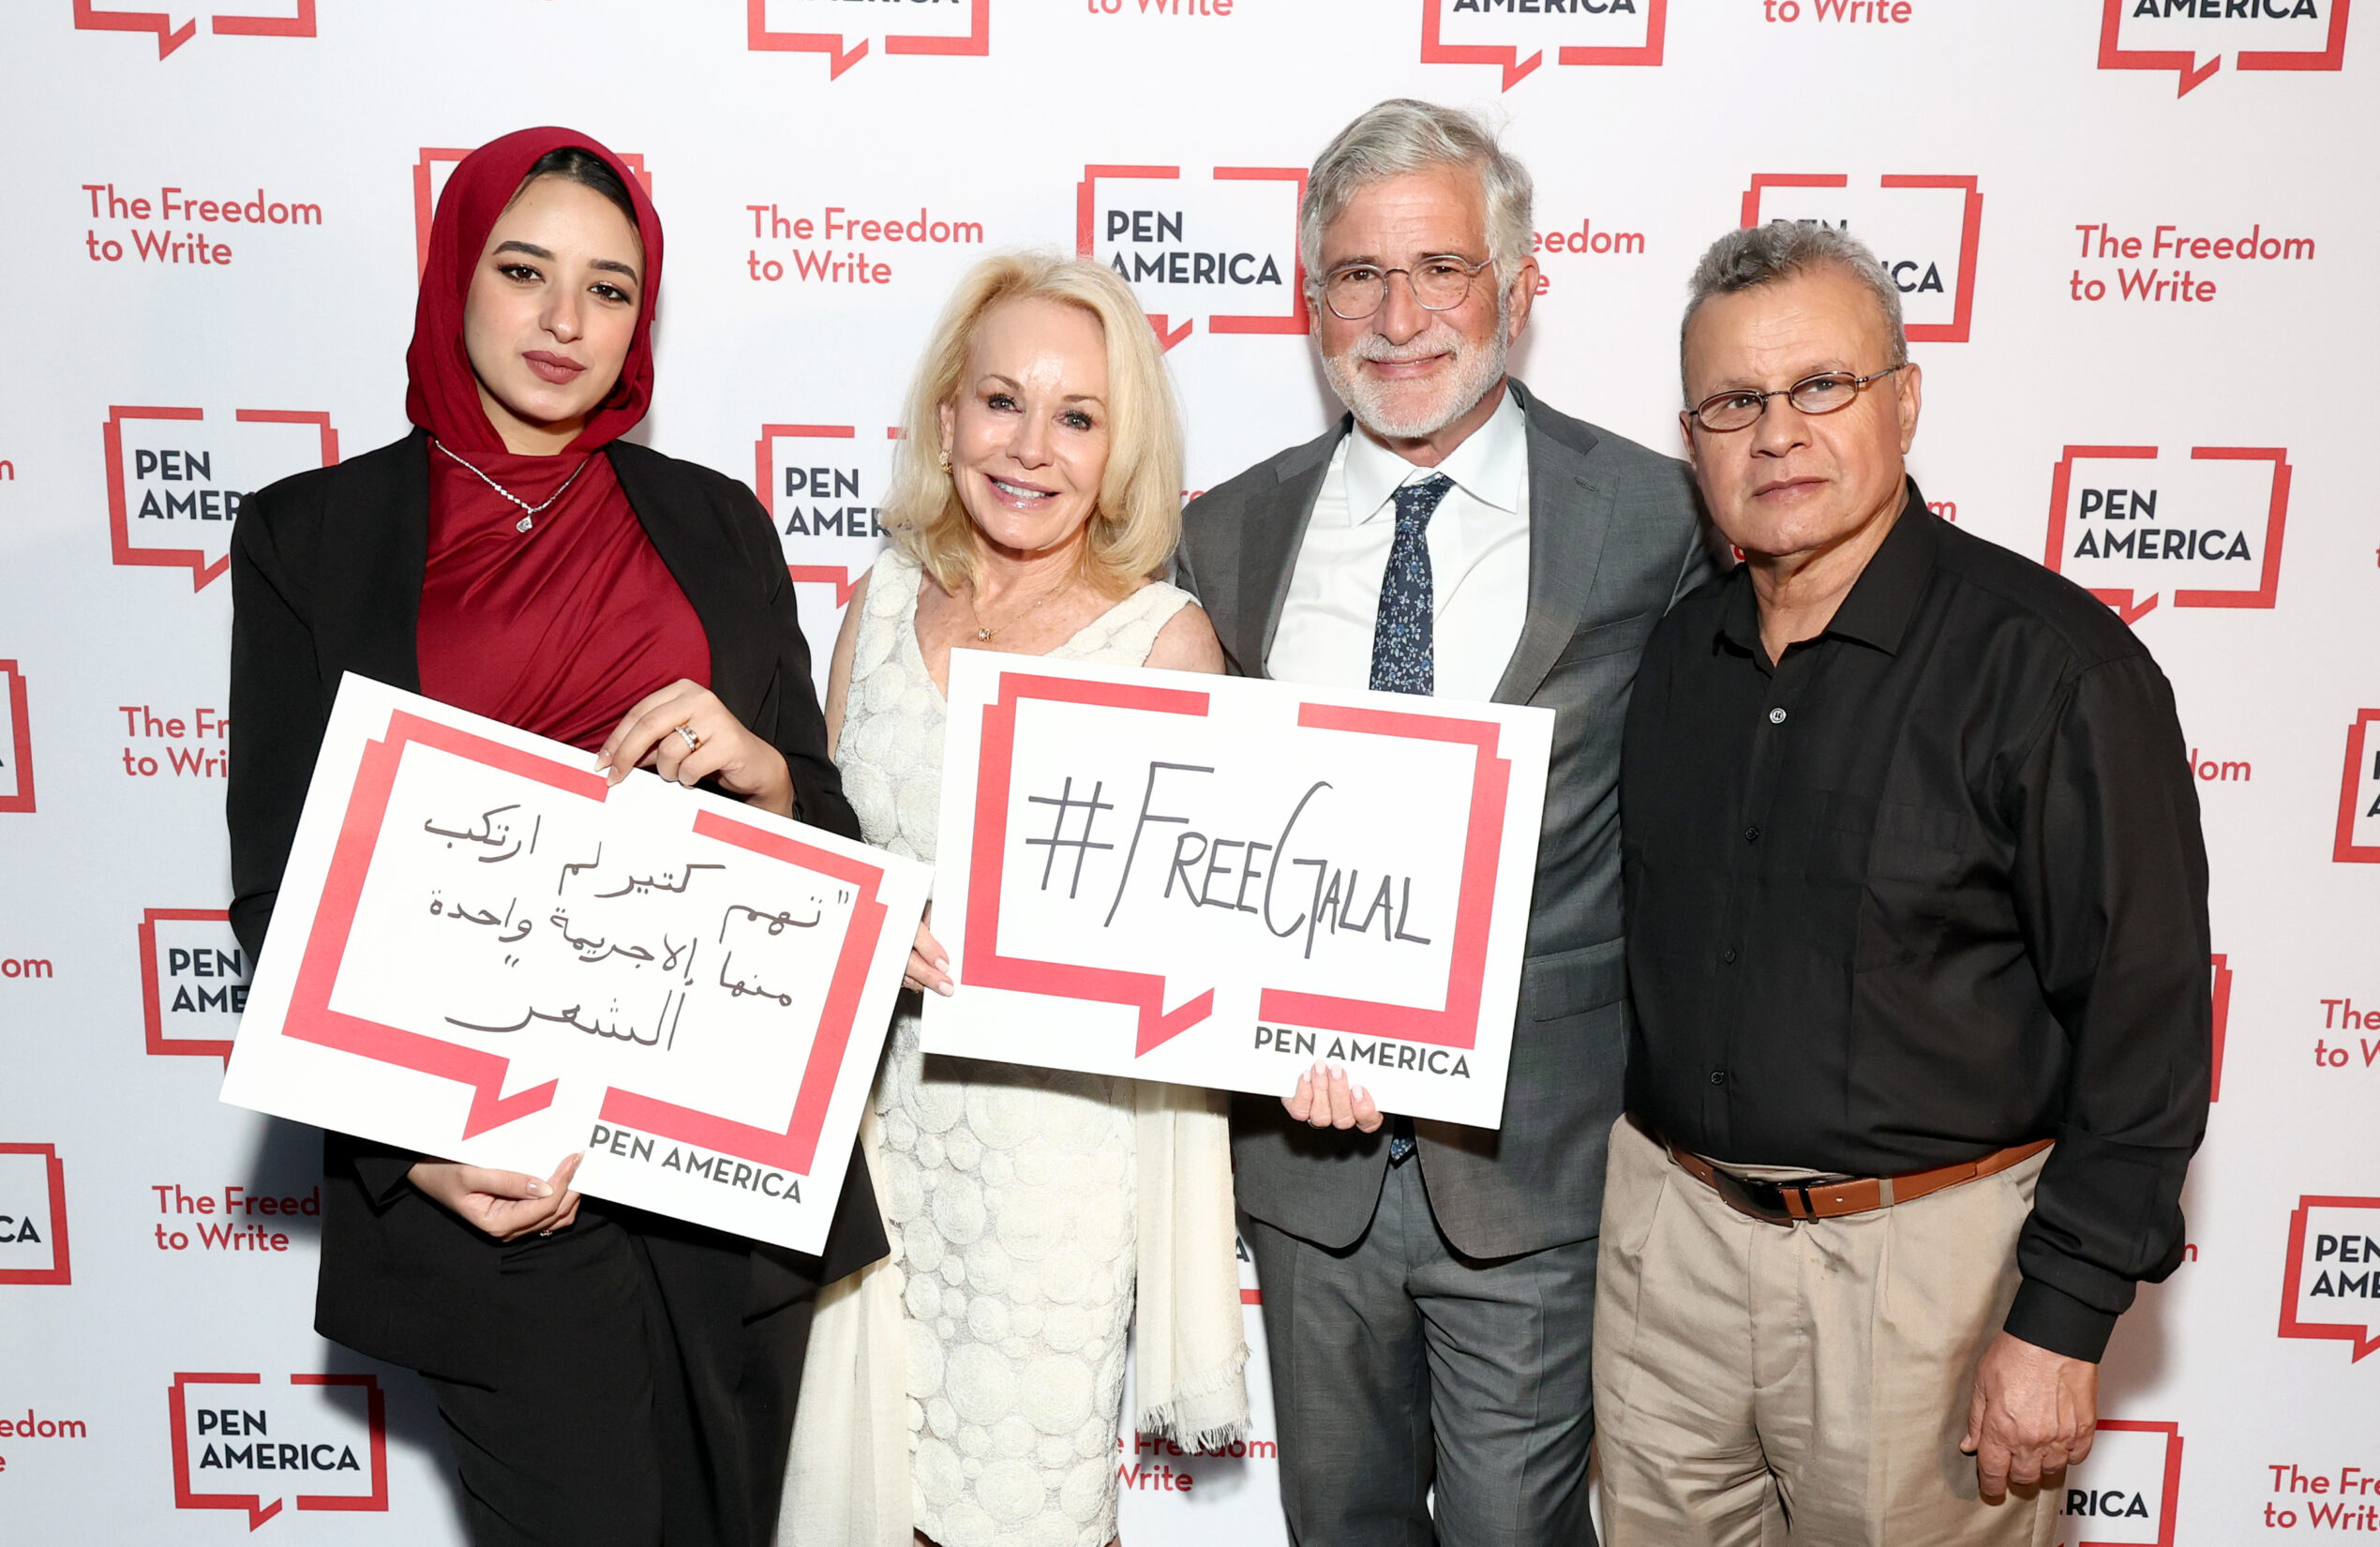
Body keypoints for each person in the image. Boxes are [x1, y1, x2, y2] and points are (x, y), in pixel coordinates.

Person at [226, 127, 887, 1547]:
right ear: (458, 274)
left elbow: (829, 828)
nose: (566, 320)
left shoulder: (717, 522)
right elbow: (282, 888)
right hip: (498, 1183)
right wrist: (409, 1145)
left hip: (720, 1176)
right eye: (525, 271)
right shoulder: (312, 535)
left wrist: (770, 775)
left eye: (610, 288)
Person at [1599, 220, 2212, 1544]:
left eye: (1821, 385)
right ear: (1693, 437)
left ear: (1906, 398)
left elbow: (2147, 1027)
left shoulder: (2055, 670)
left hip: (1925, 1279)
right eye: (1733, 403)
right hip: (1669, 1250)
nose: (1778, 434)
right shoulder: (1674, 660)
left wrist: (2061, 1320)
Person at [1173, 98, 1710, 1546]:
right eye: (1358, 275)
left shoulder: (1653, 518)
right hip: (1305, 1172)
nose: (1399, 318)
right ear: (1310, 303)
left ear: (1519, 289)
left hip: (1534, 1166)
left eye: (1441, 270)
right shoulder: (1225, 534)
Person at [778, 252, 1247, 1547]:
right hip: (869, 1141)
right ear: (947, 419)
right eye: (1002, 402)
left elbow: (1205, 946)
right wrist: (861, 920)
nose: (1032, 447)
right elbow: (815, 856)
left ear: (1117, 453)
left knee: (1018, 1509)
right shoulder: (877, 604)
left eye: (1078, 417)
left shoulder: (1164, 644)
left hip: (1053, 1174)